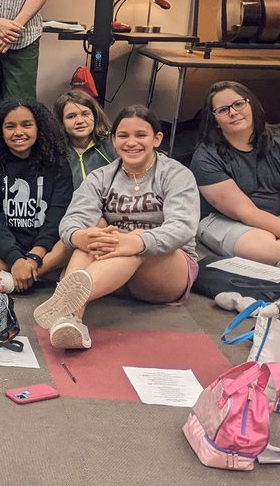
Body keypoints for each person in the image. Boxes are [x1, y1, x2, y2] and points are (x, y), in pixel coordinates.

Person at [36, 105, 200, 351]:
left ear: (157, 138)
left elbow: (182, 227)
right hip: (114, 272)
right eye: (123, 136)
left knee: (132, 240)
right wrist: (81, 236)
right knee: (94, 238)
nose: (131, 142)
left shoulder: (176, 174)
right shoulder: (100, 177)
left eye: (141, 135)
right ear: (113, 140)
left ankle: (66, 298)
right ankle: (70, 321)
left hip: (166, 271)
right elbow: (74, 219)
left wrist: (136, 241)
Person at [190, 81, 280, 267]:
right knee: (265, 249)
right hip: (229, 221)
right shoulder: (205, 158)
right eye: (223, 110)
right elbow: (247, 212)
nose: (233, 112)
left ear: (252, 105)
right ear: (215, 121)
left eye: (238, 104)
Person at [0, 99, 73, 293]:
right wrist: (15, 259)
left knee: (70, 244)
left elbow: (58, 214)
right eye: (10, 126)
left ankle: (23, 273)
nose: (18, 132)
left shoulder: (57, 163)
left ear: (40, 127)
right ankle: (43, 274)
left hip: (45, 245)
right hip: (5, 244)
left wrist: (36, 255)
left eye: (27, 125)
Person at [54, 89, 115, 188]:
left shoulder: (113, 143)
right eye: (71, 116)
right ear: (61, 122)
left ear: (95, 115)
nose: (79, 121)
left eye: (85, 114)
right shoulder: (55, 152)